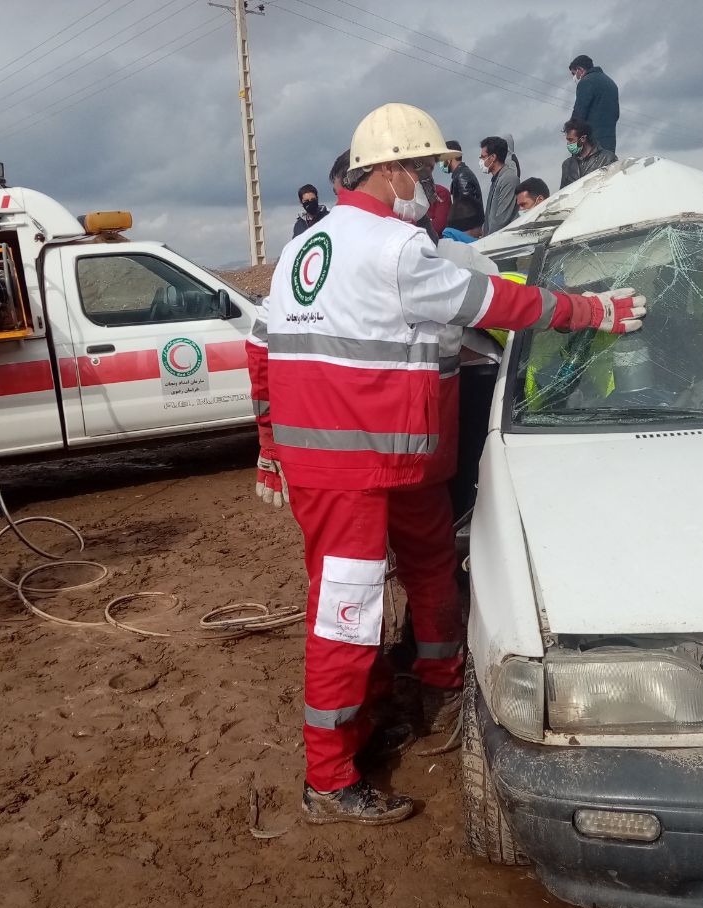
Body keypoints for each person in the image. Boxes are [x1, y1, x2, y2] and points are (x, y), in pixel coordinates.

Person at [246, 103, 647, 825]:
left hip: (375, 461)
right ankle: (330, 776)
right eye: (424, 170)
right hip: (358, 469)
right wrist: (593, 313)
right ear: (390, 169)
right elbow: (495, 302)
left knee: (431, 566)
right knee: (345, 619)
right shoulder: (396, 249)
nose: (432, 185)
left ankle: (433, 682)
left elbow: (275, 344)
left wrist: (271, 445)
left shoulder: (310, 247)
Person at [569, 54, 620, 155]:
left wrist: (571, 131)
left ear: (580, 69)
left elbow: (579, 113)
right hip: (609, 141)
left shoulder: (586, 82)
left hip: (591, 142)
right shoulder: (611, 83)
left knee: (591, 170)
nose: (574, 77)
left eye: (573, 74)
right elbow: (616, 113)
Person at [479, 135, 520, 235]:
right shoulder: (496, 179)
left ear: (493, 157)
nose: (481, 161)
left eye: (483, 157)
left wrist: (487, 243)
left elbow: (501, 220)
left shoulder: (508, 178)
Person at [441, 140, 484, 235]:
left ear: (450, 157)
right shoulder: (461, 173)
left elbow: (466, 208)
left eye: (442, 157)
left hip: (468, 231)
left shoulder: (462, 176)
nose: (440, 162)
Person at [560, 119, 618, 188]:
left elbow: (615, 185)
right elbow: (563, 194)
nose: (568, 144)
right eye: (567, 140)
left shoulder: (607, 158)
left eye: (571, 140)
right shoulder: (567, 164)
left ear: (583, 139)